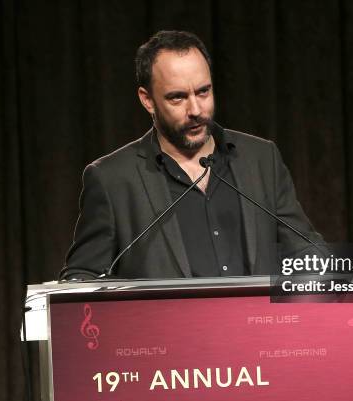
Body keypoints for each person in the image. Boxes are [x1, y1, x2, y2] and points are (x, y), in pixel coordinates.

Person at [60, 30, 326, 281]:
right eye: (177, 98)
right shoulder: (112, 180)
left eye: (203, 91)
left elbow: (305, 250)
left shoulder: (261, 158)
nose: (196, 109)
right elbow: (82, 277)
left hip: (257, 329)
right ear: (147, 99)